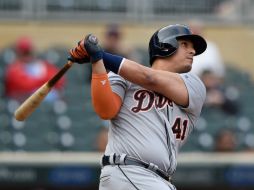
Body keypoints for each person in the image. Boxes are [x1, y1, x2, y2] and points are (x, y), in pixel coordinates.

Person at [69, 24, 207, 190]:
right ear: (166, 45)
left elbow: (150, 78)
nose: (192, 51)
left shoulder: (194, 85)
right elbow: (106, 110)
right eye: (185, 45)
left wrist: (100, 55)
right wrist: (96, 61)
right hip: (129, 172)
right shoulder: (124, 77)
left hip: (157, 179)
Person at [4, 36, 65, 102]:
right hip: (22, 101)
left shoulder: (42, 64)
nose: (28, 55)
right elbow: (25, 86)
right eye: (25, 53)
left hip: (46, 100)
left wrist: (41, 82)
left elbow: (59, 80)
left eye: (28, 52)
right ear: (18, 53)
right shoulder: (14, 68)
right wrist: (46, 81)